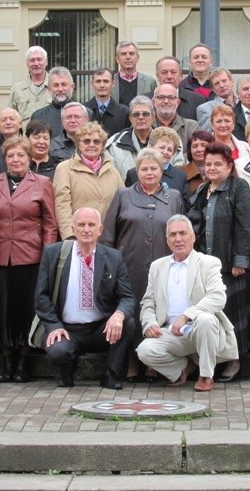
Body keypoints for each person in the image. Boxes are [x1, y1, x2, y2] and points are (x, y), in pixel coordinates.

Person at [102, 148, 185, 379]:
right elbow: (109, 234)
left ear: (162, 171)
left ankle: (153, 362)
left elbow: (182, 235)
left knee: (159, 310)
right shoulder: (122, 195)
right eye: (144, 168)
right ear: (136, 171)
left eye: (154, 168)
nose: (149, 173)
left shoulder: (175, 198)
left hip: (164, 267)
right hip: (128, 266)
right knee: (133, 312)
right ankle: (131, 362)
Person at [34, 207, 136, 389]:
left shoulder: (113, 257)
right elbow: (41, 296)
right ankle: (67, 370)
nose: (86, 229)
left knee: (128, 323)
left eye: (91, 224)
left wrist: (118, 315)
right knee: (58, 351)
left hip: (100, 329)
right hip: (67, 328)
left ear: (100, 229)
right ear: (73, 229)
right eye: (81, 225)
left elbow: (127, 297)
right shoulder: (54, 254)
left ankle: (109, 374)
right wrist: (54, 326)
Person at [136, 215, 239, 392]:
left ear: (193, 237)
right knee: (144, 350)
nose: (178, 239)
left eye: (183, 233)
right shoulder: (157, 266)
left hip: (200, 329)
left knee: (206, 319)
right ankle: (181, 369)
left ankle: (206, 375)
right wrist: (150, 323)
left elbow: (218, 297)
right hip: (170, 332)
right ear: (167, 240)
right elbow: (148, 302)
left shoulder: (209, 263)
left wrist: (187, 316)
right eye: (173, 235)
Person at [187, 142, 250, 382]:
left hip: (232, 266)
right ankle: (214, 360)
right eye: (208, 164)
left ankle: (234, 360)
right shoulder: (201, 190)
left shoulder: (239, 188)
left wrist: (241, 260)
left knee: (233, 315)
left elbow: (247, 227)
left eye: (218, 163)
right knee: (212, 315)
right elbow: (194, 225)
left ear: (230, 166)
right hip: (207, 267)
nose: (212, 168)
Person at [0, 137, 58, 383]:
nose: (15, 160)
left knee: (27, 310)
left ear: (29, 159)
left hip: (31, 257)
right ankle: (6, 360)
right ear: (4, 159)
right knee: (4, 310)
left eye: (21, 155)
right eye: (11, 156)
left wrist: (48, 256)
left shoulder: (42, 183)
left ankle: (23, 362)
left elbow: (50, 223)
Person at [53, 123, 124, 240]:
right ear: (78, 144)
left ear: (102, 145)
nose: (91, 145)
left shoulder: (113, 171)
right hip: (79, 237)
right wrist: (69, 236)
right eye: (86, 141)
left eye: (96, 141)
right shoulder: (64, 169)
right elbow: (62, 205)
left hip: (107, 239)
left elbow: (122, 204)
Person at [124, 127, 188, 206]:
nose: (165, 152)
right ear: (151, 147)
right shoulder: (133, 174)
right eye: (162, 147)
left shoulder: (180, 176)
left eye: (170, 150)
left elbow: (184, 207)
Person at [106, 96, 155, 179]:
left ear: (153, 117)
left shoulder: (166, 142)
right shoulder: (114, 144)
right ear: (130, 118)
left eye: (145, 114)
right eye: (136, 114)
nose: (141, 117)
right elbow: (111, 178)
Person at [32, 67, 82, 138]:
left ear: (72, 87)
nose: (60, 89)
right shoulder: (38, 116)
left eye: (64, 84)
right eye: (56, 85)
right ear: (49, 89)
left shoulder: (86, 113)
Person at [152, 83, 200, 158]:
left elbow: (194, 153)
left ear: (177, 102)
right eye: (161, 97)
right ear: (154, 102)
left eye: (171, 97)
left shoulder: (191, 126)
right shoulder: (145, 126)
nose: (166, 101)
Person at [9, 46, 51, 129]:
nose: (36, 63)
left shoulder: (55, 86)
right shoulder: (17, 88)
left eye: (39, 59)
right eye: (32, 60)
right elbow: (11, 116)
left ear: (46, 62)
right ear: (27, 63)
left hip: (49, 138)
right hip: (25, 139)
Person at [154, 56, 206, 121]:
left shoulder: (198, 101)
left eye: (173, 72)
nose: (169, 76)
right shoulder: (146, 101)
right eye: (164, 72)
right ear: (157, 76)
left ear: (180, 75)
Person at [83, 68, 130, 137]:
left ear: (113, 84)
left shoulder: (124, 112)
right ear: (92, 84)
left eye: (106, 81)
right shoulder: (83, 110)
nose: (102, 85)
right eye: (98, 81)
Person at [111, 41, 157, 106]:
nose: (128, 57)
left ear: (138, 58)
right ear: (117, 59)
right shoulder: (109, 82)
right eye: (123, 54)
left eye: (131, 53)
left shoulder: (150, 82)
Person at [197, 68, 237, 132]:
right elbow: (206, 135)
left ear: (232, 82)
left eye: (224, 81)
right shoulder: (204, 109)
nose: (221, 85)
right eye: (217, 83)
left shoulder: (243, 103)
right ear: (213, 89)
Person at [183, 130, 215, 196]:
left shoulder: (222, 170)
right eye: (195, 146)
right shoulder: (180, 171)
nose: (199, 150)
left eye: (204, 145)